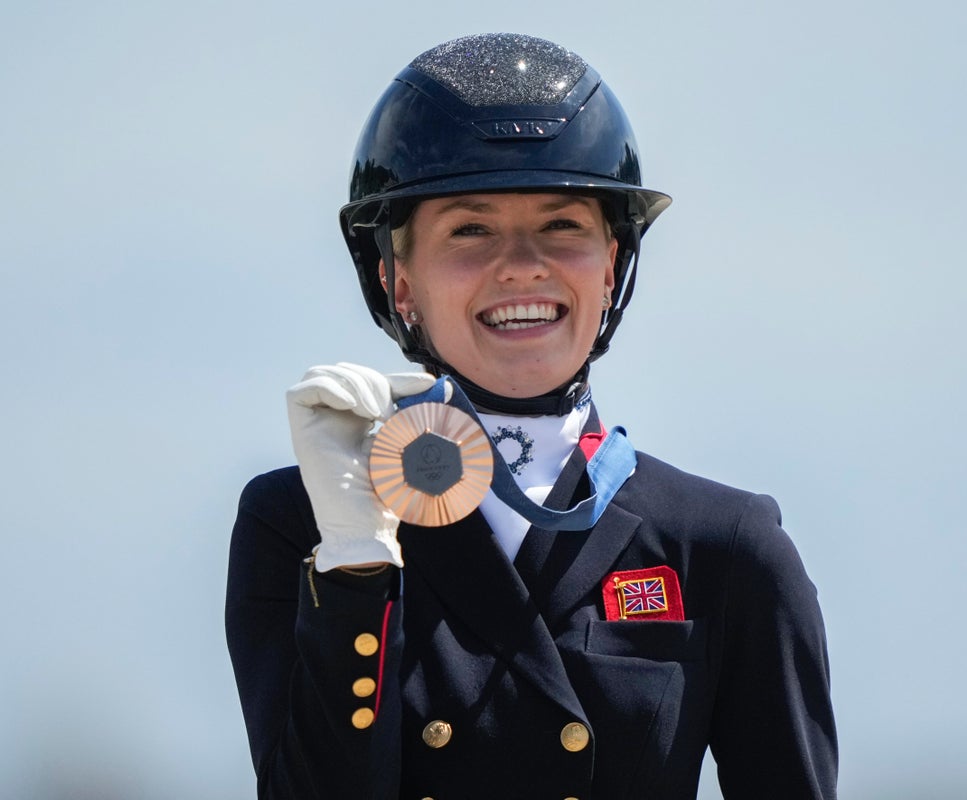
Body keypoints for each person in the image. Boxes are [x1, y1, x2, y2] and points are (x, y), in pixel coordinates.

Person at [226, 32, 837, 799]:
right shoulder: (300, 524)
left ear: (611, 266)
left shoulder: (725, 547)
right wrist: (355, 561)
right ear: (398, 279)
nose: (521, 263)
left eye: (562, 226)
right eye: (470, 230)